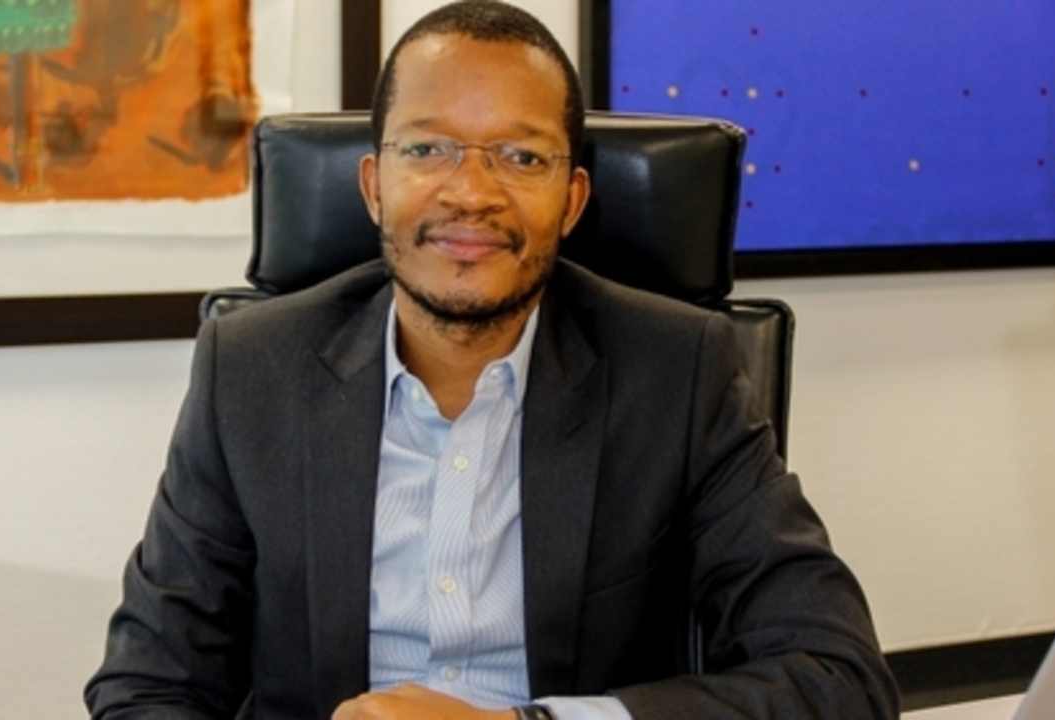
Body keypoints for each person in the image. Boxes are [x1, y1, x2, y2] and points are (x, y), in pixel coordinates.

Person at [85, 2, 899, 718]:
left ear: (572, 201)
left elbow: (837, 680)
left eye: (522, 157)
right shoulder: (250, 368)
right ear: (373, 186)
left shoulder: (680, 372)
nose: (471, 192)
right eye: (427, 149)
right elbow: (147, 685)